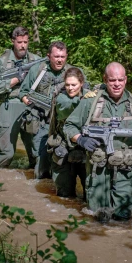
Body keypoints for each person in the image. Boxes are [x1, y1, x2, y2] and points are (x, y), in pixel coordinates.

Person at [63, 62, 132, 222]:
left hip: (125, 172)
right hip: (97, 173)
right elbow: (69, 126)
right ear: (105, 79)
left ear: (126, 80)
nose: (117, 84)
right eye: (112, 80)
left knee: (124, 219)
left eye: (120, 80)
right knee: (98, 219)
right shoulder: (90, 103)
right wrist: (81, 139)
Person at [19, 41, 88, 179]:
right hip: (42, 122)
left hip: (64, 124)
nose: (59, 60)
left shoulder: (73, 72)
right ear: (48, 56)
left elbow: (85, 92)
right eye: (56, 56)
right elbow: (23, 93)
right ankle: (42, 188)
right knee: (42, 162)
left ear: (66, 56)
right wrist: (28, 101)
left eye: (62, 57)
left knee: (64, 160)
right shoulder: (37, 70)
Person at [0, 26, 40, 168]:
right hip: (9, 105)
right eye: (19, 42)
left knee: (36, 152)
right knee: (6, 153)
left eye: (25, 42)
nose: (23, 45)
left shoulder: (35, 60)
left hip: (30, 106)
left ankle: (35, 182)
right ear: (13, 41)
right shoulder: (2, 62)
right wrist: (17, 79)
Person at [48, 67, 87, 198]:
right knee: (64, 196)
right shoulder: (61, 98)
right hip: (63, 147)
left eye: (74, 85)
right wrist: (87, 100)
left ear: (81, 83)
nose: (70, 88)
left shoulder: (89, 95)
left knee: (90, 194)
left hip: (85, 148)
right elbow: (68, 105)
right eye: (67, 85)